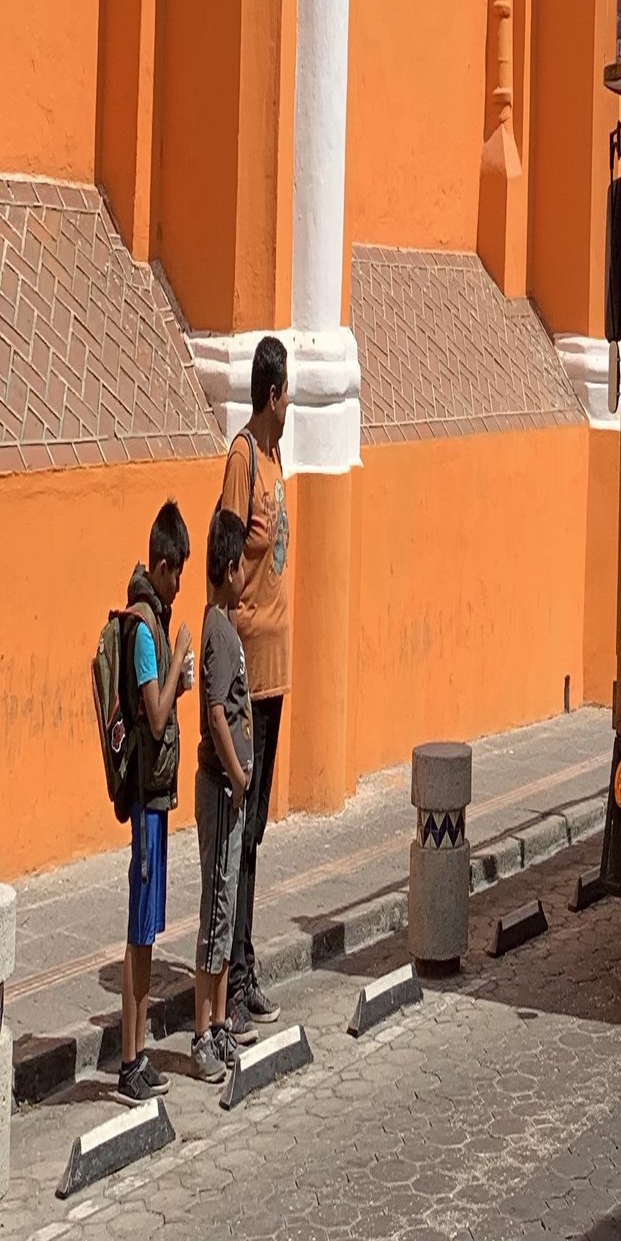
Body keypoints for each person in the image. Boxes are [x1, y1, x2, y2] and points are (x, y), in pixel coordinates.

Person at [220, 335, 291, 1041]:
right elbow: (227, 557)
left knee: (258, 832)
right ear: (275, 393)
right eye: (288, 389)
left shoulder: (275, 457)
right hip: (248, 671)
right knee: (240, 831)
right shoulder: (244, 456)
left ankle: (245, 960)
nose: (290, 401)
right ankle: (232, 983)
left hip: (277, 676)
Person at [117, 501, 193, 1105]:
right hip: (146, 798)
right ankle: (129, 1059)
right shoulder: (146, 628)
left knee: (147, 932)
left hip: (156, 795)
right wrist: (177, 664)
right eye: (178, 573)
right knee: (138, 933)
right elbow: (157, 711)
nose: (180, 585)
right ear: (162, 565)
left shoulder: (153, 624)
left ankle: (137, 1054)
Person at [191, 508, 253, 1085]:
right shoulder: (217, 630)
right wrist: (237, 774)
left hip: (229, 789)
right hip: (219, 787)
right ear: (229, 568)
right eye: (242, 566)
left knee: (226, 903)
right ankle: (203, 1031)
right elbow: (215, 713)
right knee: (215, 908)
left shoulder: (223, 625)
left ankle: (218, 1023)